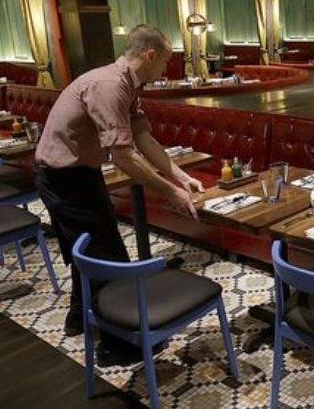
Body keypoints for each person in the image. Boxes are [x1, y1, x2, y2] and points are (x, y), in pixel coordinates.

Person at [34, 24, 204, 366]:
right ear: (150, 55)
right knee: (106, 256)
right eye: (165, 62)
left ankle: (79, 317)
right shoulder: (110, 85)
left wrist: (180, 176)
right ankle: (117, 346)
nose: (166, 71)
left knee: (91, 248)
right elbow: (123, 156)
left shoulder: (128, 84)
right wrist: (170, 192)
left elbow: (144, 140)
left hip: (80, 173)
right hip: (62, 178)